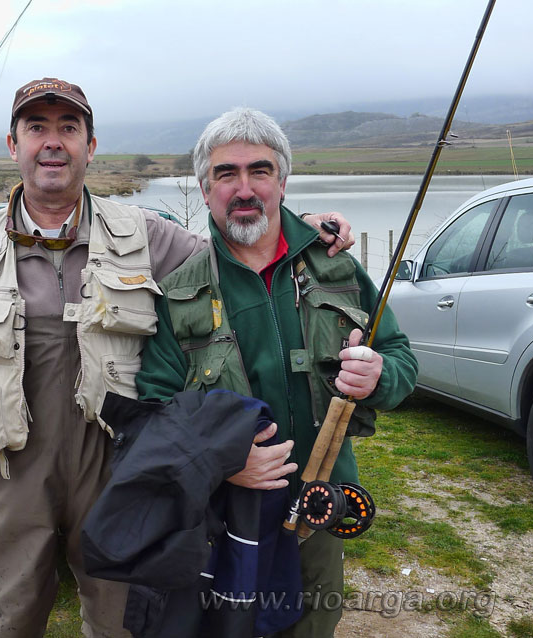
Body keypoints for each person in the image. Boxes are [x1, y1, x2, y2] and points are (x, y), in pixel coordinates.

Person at [0, 79, 354, 638]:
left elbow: (241, 248)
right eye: (36, 127)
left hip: (120, 471)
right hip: (12, 473)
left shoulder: (146, 236)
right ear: (12, 144)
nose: (53, 142)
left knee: (126, 623)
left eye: (69, 128)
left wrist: (310, 230)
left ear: (91, 146)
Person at [135, 107, 418, 638]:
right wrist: (224, 462)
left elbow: (401, 355)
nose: (244, 188)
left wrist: (379, 376)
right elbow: (155, 413)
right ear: (204, 189)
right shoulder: (178, 293)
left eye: (259, 171)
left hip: (321, 510)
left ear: (282, 182)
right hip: (224, 519)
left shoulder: (337, 267)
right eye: (226, 174)